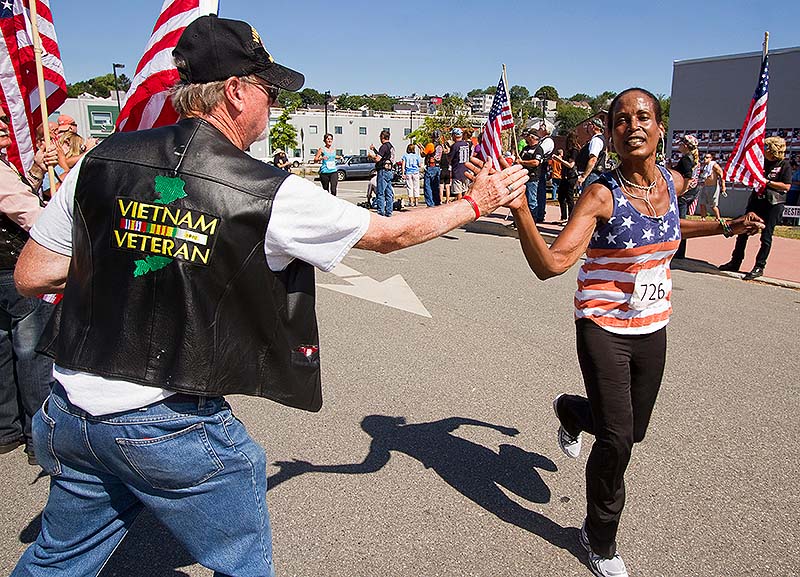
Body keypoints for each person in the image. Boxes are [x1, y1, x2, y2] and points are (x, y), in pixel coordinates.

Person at [10, 15, 528, 576]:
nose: (274, 102)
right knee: (244, 564)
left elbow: (33, 275)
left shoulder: (97, 162)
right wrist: (478, 202)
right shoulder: (268, 190)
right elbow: (388, 234)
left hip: (71, 409)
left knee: (56, 562)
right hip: (166, 418)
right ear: (235, 92)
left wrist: (124, 258)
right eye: (267, 87)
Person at [471, 87, 763, 577]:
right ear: (610, 135)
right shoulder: (600, 194)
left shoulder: (670, 182)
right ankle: (598, 537)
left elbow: (669, 226)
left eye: (643, 117)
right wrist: (522, 210)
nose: (633, 126)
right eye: (621, 120)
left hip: (652, 325)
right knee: (618, 440)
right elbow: (553, 263)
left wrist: (725, 226)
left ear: (660, 127)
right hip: (603, 325)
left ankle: (569, 409)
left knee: (634, 430)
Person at [0, 109, 58, 466]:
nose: (4, 127)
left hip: (3, 273)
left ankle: (7, 429)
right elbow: (27, 212)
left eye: (4, 121)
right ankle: (40, 437)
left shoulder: (6, 167)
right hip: (12, 270)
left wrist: (35, 171)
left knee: (5, 349)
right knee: (33, 353)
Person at [718, 136, 792, 280]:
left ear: (773, 149)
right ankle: (735, 261)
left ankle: (759, 266)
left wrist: (767, 182)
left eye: (766, 148)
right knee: (742, 229)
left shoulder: (784, 165)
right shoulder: (760, 163)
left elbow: (786, 186)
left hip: (773, 204)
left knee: (766, 236)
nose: (763, 150)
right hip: (756, 201)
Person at [672, 134, 699, 259]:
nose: (679, 145)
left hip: (684, 195)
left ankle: (680, 252)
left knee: (680, 223)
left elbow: (688, 177)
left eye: (681, 143)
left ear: (686, 145)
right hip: (689, 193)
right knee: (680, 222)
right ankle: (679, 250)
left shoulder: (686, 159)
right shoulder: (689, 158)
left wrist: (682, 191)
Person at [575, 117, 607, 192]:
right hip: (594, 174)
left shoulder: (596, 140)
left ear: (594, 126)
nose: (587, 127)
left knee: (587, 199)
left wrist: (583, 176)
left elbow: (593, 159)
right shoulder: (600, 139)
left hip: (591, 175)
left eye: (589, 124)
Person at [368, 129, 395, 216]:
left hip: (383, 171)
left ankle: (380, 212)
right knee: (389, 193)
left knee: (380, 192)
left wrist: (371, 156)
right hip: (389, 170)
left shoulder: (383, 146)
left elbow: (378, 159)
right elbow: (384, 156)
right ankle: (389, 211)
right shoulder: (391, 146)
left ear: (382, 137)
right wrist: (374, 150)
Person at [552, 137, 579, 223]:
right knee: (561, 197)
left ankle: (571, 217)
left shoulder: (574, 151)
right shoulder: (568, 151)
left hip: (571, 176)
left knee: (569, 197)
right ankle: (564, 216)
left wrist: (559, 159)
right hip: (564, 176)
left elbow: (571, 165)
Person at [517, 129, 542, 220]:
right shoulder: (525, 148)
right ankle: (519, 220)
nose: (526, 138)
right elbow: (519, 158)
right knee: (521, 199)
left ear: (532, 137)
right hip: (522, 177)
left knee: (531, 200)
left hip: (532, 178)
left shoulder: (538, 149)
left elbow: (536, 162)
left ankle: (532, 220)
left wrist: (523, 162)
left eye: (528, 136)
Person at [535, 123, 555, 222]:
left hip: (541, 168)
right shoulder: (541, 140)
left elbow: (540, 152)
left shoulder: (548, 141)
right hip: (537, 169)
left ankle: (539, 213)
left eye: (542, 127)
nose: (539, 128)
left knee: (540, 191)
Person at [697, 152, 727, 220]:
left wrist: (723, 186)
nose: (705, 159)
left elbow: (722, 175)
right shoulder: (705, 166)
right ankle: (703, 218)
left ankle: (718, 218)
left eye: (707, 157)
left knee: (713, 205)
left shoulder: (714, 165)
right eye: (704, 157)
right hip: (705, 186)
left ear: (711, 158)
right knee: (702, 203)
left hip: (713, 187)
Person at [420, 130, 443, 207]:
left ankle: (430, 203)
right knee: (436, 186)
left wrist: (421, 149)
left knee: (428, 186)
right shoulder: (440, 146)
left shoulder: (430, 145)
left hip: (431, 167)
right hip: (438, 166)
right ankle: (437, 201)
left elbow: (423, 154)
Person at [448, 127, 471, 202]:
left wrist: (448, 151)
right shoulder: (466, 144)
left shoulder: (455, 146)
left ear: (454, 135)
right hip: (466, 170)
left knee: (458, 192)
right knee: (465, 190)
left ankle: (461, 207)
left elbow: (450, 158)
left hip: (457, 171)